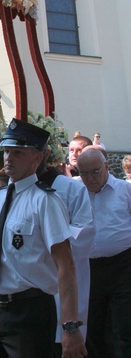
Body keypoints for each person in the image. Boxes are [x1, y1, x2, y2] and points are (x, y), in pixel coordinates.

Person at [0, 118, 87, 358]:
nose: (8, 158)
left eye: (18, 153)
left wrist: (70, 326)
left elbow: (65, 265)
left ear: (37, 158)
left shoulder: (45, 201)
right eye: (5, 151)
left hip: (29, 310)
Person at [37, 151, 95, 357]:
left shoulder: (71, 187)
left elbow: (84, 232)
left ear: (43, 155)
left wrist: (42, 240)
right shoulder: (12, 189)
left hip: (61, 275)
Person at [77, 149, 131, 357]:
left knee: (123, 324)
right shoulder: (76, 192)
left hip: (123, 265)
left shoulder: (124, 191)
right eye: (84, 173)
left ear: (107, 167)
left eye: (95, 172)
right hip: (89, 268)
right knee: (92, 324)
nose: (89, 178)